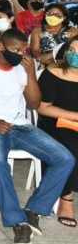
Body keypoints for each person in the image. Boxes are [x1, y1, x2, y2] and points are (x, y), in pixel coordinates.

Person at [0, 29, 75, 244]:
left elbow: (33, 104)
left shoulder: (22, 68)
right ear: (1, 47)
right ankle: (17, 221)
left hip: (19, 125)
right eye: (16, 50)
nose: (21, 54)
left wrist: (31, 74)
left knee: (65, 158)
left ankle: (35, 209)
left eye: (24, 50)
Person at [36, 34, 78, 227]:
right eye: (71, 50)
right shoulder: (53, 73)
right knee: (71, 145)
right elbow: (43, 107)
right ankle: (66, 198)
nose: (74, 55)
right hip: (55, 123)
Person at [32, 3, 78, 68]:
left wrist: (51, 55)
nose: (53, 16)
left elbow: (74, 51)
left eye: (57, 15)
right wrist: (41, 59)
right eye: (50, 14)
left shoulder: (72, 31)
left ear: (64, 17)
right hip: (43, 63)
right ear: (45, 15)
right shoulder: (37, 30)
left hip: (66, 64)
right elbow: (35, 50)